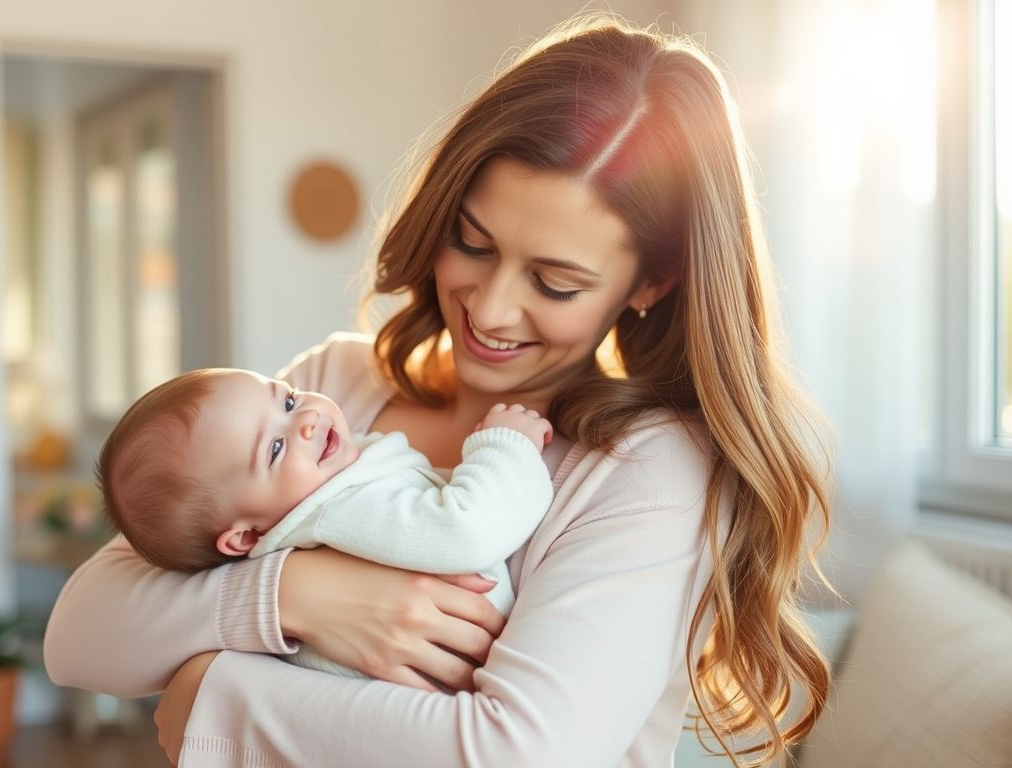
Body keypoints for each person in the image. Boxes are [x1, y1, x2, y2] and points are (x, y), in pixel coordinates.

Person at [45, 14, 833, 767]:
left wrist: (216, 694)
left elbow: (515, 753)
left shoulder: (645, 469)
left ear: (651, 283)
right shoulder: (334, 391)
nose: (488, 310)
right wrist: (299, 593)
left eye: (555, 282)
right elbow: (79, 635)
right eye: (473, 242)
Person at [96, 367, 554, 677]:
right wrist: (505, 446)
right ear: (246, 535)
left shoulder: (333, 484)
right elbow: (468, 530)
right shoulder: (339, 507)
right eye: (274, 449)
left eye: (289, 401)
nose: (308, 422)